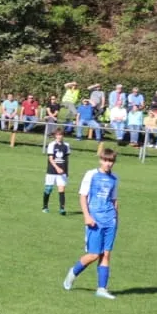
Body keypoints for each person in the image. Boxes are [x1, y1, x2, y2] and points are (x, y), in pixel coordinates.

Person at [63, 146, 119, 299]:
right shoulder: (91, 174)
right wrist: (87, 216)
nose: (108, 163)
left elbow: (114, 200)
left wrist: (116, 219)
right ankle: (72, 273)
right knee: (94, 255)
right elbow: (83, 196)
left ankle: (101, 289)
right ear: (101, 160)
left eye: (111, 161)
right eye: (105, 160)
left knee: (106, 254)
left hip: (110, 221)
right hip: (95, 220)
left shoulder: (114, 178)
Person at [43, 126, 70, 214]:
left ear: (63, 136)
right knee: (48, 189)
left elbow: (66, 159)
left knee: (61, 189)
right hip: (52, 171)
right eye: (57, 135)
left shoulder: (66, 145)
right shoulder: (51, 145)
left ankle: (62, 209)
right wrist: (57, 168)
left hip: (62, 172)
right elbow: (51, 159)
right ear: (55, 135)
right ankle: (45, 207)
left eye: (61, 135)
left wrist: (66, 171)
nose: (59, 136)